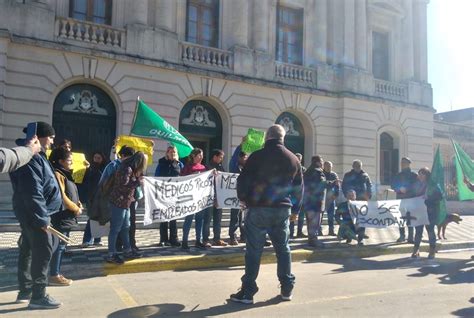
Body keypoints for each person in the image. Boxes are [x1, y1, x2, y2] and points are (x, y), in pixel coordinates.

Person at [230, 124, 303, 304]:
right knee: (283, 249)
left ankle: (248, 292)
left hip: (259, 208)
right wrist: (296, 210)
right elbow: (299, 188)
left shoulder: (257, 156)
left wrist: (243, 198)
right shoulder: (294, 159)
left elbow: (243, 179)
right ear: (282, 137)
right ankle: (287, 287)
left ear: (267, 137)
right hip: (282, 209)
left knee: (254, 251)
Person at [9, 121, 63, 309]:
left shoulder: (37, 156)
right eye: (50, 136)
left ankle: (25, 291)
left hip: (34, 212)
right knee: (42, 250)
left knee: (29, 249)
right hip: (35, 214)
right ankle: (38, 296)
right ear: (38, 137)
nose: (52, 140)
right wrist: (42, 219)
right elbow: (32, 191)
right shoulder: (30, 158)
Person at [48, 147, 82, 286]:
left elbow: (71, 192)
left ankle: (56, 273)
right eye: (69, 160)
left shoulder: (66, 173)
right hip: (61, 216)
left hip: (67, 216)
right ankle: (53, 275)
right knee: (59, 246)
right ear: (61, 161)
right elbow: (62, 197)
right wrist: (75, 209)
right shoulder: (57, 174)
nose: (72, 163)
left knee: (62, 245)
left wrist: (78, 203)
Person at [106, 151, 146, 264]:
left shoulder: (128, 168)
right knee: (116, 229)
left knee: (125, 227)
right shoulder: (127, 169)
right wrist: (138, 182)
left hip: (125, 203)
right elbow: (123, 186)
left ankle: (127, 250)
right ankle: (111, 254)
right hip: (119, 202)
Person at [181, 148, 209, 250]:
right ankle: (184, 241)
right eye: (199, 155)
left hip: (200, 198)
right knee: (188, 219)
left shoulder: (203, 167)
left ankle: (198, 240)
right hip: (190, 198)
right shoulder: (187, 167)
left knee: (199, 220)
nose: (201, 157)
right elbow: (182, 180)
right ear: (193, 156)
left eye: (202, 155)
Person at [412, 167, 443, 259]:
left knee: (430, 231)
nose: (420, 175)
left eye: (422, 173)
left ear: (427, 175)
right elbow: (413, 195)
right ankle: (416, 250)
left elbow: (440, 196)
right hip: (419, 211)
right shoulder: (416, 184)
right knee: (418, 231)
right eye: (419, 173)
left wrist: (428, 197)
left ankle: (432, 250)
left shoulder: (433, 185)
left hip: (430, 211)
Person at [155, 145, 182, 247]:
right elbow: (156, 176)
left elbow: (183, 177)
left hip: (175, 195)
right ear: (166, 153)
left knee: (173, 218)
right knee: (163, 218)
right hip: (163, 194)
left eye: (174, 152)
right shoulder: (161, 163)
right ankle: (163, 239)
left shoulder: (180, 164)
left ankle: (174, 239)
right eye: (170, 151)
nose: (172, 153)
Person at [342, 160, 372, 246]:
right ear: (353, 166)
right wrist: (346, 195)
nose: (358, 167)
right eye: (356, 166)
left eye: (359, 166)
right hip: (351, 200)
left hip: (362, 200)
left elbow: (369, 185)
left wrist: (369, 196)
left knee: (362, 219)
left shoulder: (365, 175)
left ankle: (360, 238)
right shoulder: (348, 175)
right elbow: (344, 185)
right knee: (350, 219)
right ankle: (349, 236)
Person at [81, 151, 108, 247]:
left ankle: (97, 239)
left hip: (102, 197)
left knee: (100, 218)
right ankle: (87, 240)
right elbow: (85, 181)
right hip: (92, 198)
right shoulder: (89, 169)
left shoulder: (105, 168)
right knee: (92, 218)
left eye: (99, 158)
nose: (96, 160)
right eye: (95, 158)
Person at [203, 149, 228, 246]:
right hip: (209, 197)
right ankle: (205, 239)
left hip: (219, 197)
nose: (221, 159)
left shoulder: (221, 166)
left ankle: (217, 238)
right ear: (215, 157)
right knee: (207, 219)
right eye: (220, 157)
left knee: (218, 219)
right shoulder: (207, 167)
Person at [392, 157, 419, 243]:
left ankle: (411, 237)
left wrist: (407, 189)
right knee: (401, 218)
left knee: (410, 218)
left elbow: (416, 186)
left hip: (410, 200)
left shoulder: (414, 175)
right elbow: (393, 185)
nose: (402, 164)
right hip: (400, 199)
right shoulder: (398, 175)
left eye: (404, 163)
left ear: (408, 164)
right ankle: (402, 236)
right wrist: (399, 189)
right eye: (401, 163)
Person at [303, 155, 327, 248]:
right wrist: (332, 183)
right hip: (316, 202)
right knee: (315, 222)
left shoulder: (307, 171)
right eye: (321, 161)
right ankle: (313, 241)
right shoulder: (318, 172)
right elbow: (321, 184)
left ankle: (311, 240)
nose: (322, 163)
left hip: (308, 201)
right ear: (317, 162)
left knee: (310, 222)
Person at [228, 148, 248, 245]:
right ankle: (232, 237)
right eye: (244, 158)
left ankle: (243, 236)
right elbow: (233, 158)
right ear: (239, 158)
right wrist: (241, 145)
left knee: (242, 218)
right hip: (234, 197)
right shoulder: (234, 167)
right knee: (235, 217)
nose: (246, 159)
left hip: (243, 197)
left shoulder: (245, 168)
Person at [290, 153, 307, 238]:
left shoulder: (304, 169)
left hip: (302, 195)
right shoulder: (292, 168)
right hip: (293, 195)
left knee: (301, 215)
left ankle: (299, 232)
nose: (299, 160)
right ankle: (291, 233)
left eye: (300, 158)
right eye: (297, 158)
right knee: (292, 214)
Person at [323, 161, 340, 236]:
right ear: (324, 166)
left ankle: (331, 231)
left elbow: (337, 186)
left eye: (330, 166)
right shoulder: (321, 174)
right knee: (321, 215)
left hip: (331, 197)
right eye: (327, 166)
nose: (329, 167)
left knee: (331, 215)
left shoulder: (334, 175)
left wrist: (336, 195)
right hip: (322, 197)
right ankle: (319, 231)